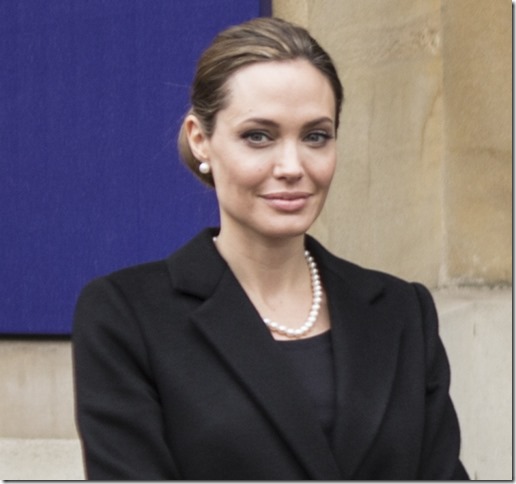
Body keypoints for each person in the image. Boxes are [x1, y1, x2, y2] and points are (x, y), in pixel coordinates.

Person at [72, 17, 469, 480]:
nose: (291, 166)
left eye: (315, 136)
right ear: (202, 139)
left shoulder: (401, 311)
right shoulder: (127, 315)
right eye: (258, 136)